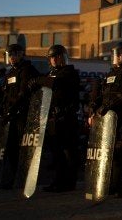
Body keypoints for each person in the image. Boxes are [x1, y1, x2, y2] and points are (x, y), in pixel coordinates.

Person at [88, 41, 122, 198]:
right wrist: (93, 108)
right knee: (113, 154)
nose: (116, 57)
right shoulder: (111, 74)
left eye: (119, 54)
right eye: (115, 54)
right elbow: (102, 94)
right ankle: (115, 184)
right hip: (110, 122)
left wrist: (108, 107)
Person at [33, 45, 81, 192]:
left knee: (68, 152)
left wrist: (38, 80)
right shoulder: (52, 73)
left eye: (56, 56)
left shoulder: (69, 72)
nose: (54, 59)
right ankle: (58, 181)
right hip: (53, 117)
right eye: (52, 57)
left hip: (66, 118)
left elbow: (55, 83)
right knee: (56, 152)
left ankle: (69, 182)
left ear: (62, 57)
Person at [0, 44, 39, 188]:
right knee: (11, 148)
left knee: (24, 148)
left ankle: (26, 178)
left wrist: (11, 110)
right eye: (9, 55)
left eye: (14, 55)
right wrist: (2, 110)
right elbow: (5, 94)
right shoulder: (10, 73)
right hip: (11, 116)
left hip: (23, 115)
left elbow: (23, 94)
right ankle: (15, 177)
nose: (11, 58)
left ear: (21, 54)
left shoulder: (27, 70)